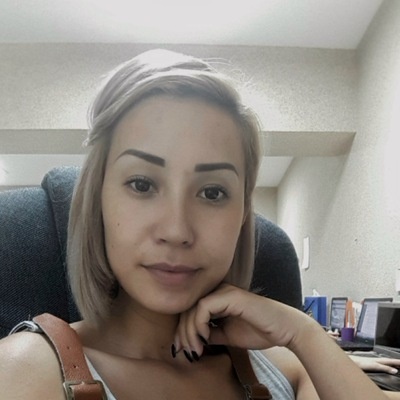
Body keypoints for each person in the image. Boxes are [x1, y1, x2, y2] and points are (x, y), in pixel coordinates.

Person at [0, 48, 396, 399]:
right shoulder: (26, 370)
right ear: (98, 201)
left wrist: (303, 333)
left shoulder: (286, 368)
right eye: (142, 184)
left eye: (212, 192)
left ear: (242, 216)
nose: (176, 231)